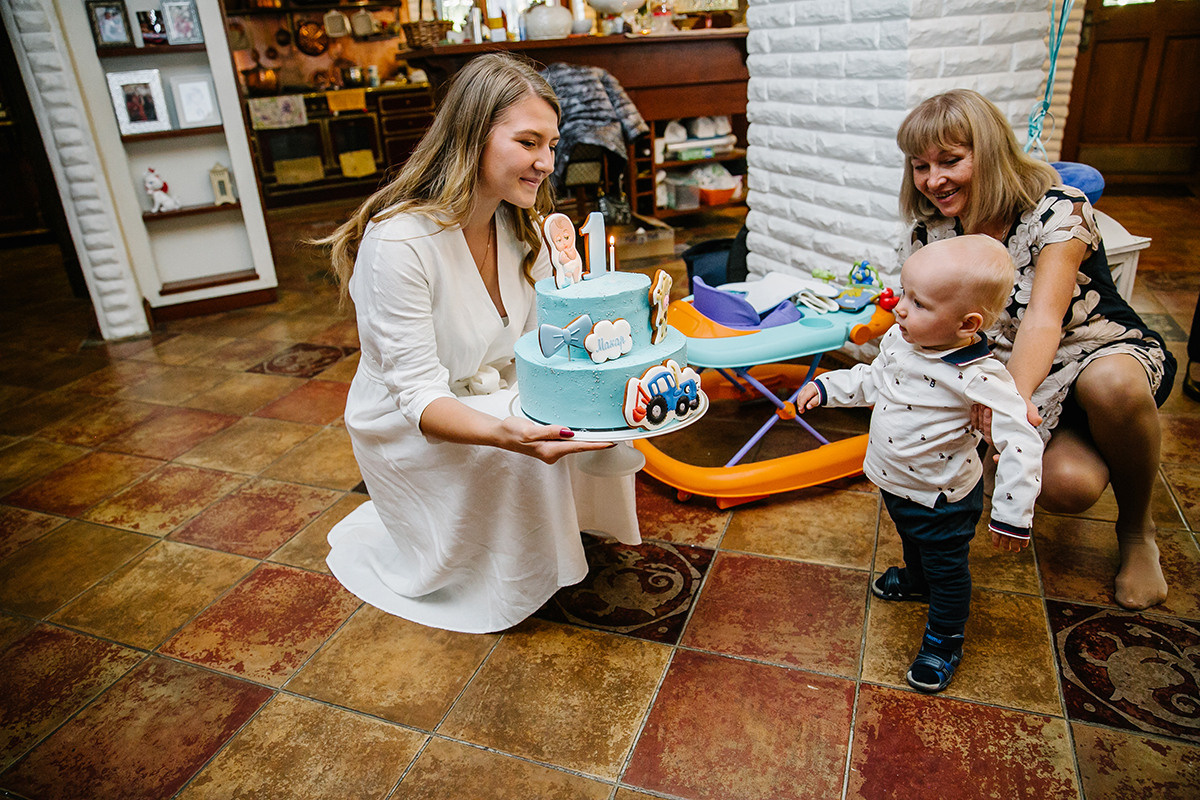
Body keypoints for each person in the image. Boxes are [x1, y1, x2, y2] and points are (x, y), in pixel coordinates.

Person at [315, 53, 639, 634]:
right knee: (528, 437)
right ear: (472, 138)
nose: (547, 163)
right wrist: (507, 432)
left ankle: (565, 539)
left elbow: (545, 339)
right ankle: (506, 575)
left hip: (493, 385)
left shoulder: (523, 226)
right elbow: (417, 396)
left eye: (552, 144)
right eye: (529, 142)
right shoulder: (400, 244)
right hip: (409, 417)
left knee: (590, 412)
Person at [896, 89, 1176, 611]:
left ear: (991, 151)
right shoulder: (929, 230)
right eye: (920, 166)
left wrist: (1008, 406)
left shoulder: (1059, 211)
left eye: (951, 160)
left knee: (1110, 385)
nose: (933, 180)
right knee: (1067, 489)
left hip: (1095, 350)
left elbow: (1045, 319)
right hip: (1014, 372)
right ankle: (1099, 443)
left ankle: (1139, 529)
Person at [795, 235, 1044, 692]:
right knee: (910, 536)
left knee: (947, 568)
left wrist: (1012, 513)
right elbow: (875, 379)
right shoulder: (902, 339)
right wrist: (829, 387)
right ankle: (915, 578)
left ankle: (945, 638)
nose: (900, 308)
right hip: (896, 481)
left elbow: (1021, 439)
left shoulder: (978, 376)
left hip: (942, 495)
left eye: (919, 303)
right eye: (904, 293)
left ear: (967, 323)